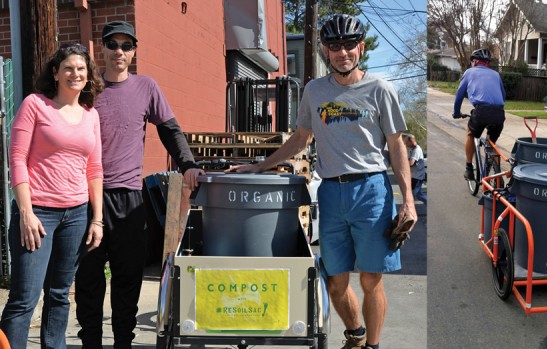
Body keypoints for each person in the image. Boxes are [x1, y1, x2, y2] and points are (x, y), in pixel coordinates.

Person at [231, 14, 416, 349]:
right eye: (334, 46)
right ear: (324, 50)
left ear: (360, 47)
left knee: (372, 279)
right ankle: (355, 333)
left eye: (348, 45)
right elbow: (300, 139)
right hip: (331, 192)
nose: (342, 52)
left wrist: (408, 200)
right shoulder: (314, 91)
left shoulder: (381, 90)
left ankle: (371, 346)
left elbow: (395, 145)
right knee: (335, 280)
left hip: (372, 191)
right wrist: (260, 166)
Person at [73, 21, 204, 348]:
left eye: (126, 45)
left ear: (133, 51)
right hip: (88, 198)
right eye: (112, 45)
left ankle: (122, 343)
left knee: (127, 278)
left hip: (130, 200)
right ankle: (90, 342)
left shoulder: (147, 87)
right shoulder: (86, 90)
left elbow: (170, 130)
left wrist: (188, 164)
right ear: (101, 49)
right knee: (88, 279)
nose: (119, 51)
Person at [0, 43, 104, 349]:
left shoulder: (91, 115)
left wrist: (96, 219)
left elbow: (94, 169)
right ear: (56, 73)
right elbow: (16, 158)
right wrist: (26, 212)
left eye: (81, 68)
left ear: (88, 75)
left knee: (60, 295)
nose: (75, 74)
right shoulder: (35, 104)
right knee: (24, 298)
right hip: (38, 214)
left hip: (76, 214)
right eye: (69, 68)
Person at [452, 48, 506, 180]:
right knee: (491, 144)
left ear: (475, 62)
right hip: (499, 113)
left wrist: (456, 112)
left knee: (470, 134)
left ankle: (469, 168)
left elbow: (459, 95)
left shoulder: (469, 72)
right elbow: (503, 96)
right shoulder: (496, 74)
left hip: (481, 111)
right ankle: (495, 173)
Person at [403, 134, 427, 204]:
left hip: (417, 177)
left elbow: (411, 163)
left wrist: (403, 161)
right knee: (417, 194)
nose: (406, 144)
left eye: (406, 143)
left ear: (411, 141)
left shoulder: (416, 150)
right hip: (415, 176)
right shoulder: (414, 149)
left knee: (414, 194)